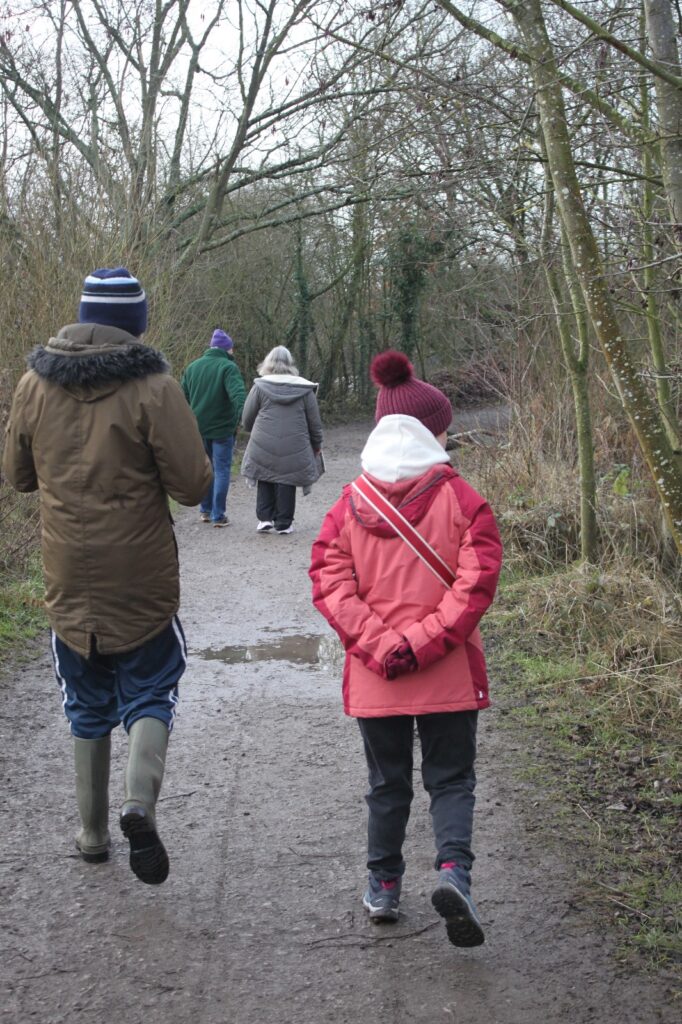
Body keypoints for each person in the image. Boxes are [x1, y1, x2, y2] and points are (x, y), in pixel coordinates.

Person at [2, 267, 212, 886]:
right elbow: (194, 485)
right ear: (134, 325)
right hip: (141, 579)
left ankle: (92, 834)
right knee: (152, 688)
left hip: (68, 577)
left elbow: (15, 476)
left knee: (84, 701)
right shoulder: (154, 386)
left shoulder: (34, 384)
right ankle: (137, 806)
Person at [309, 350, 502, 947]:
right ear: (431, 430)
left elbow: (329, 581)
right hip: (444, 671)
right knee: (450, 780)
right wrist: (421, 644)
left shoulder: (348, 505)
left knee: (386, 783)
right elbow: (477, 583)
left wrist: (384, 647)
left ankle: (384, 887)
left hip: (378, 678)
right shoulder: (464, 500)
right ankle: (454, 874)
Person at [241, 345, 323, 534]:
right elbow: (314, 422)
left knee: (265, 473)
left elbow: (246, 418)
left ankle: (264, 519)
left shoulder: (259, 387)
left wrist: (253, 431)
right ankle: (284, 523)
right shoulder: (305, 389)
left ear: (268, 363)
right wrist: (316, 444)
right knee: (287, 477)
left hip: (263, 439)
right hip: (295, 443)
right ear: (290, 364)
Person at [181, 328, 246, 527]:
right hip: (222, 430)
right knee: (222, 469)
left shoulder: (192, 367)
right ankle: (219, 515)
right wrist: (242, 418)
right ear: (228, 349)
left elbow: (183, 399)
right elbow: (238, 396)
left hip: (198, 429)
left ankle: (205, 511)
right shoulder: (228, 367)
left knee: (206, 470)